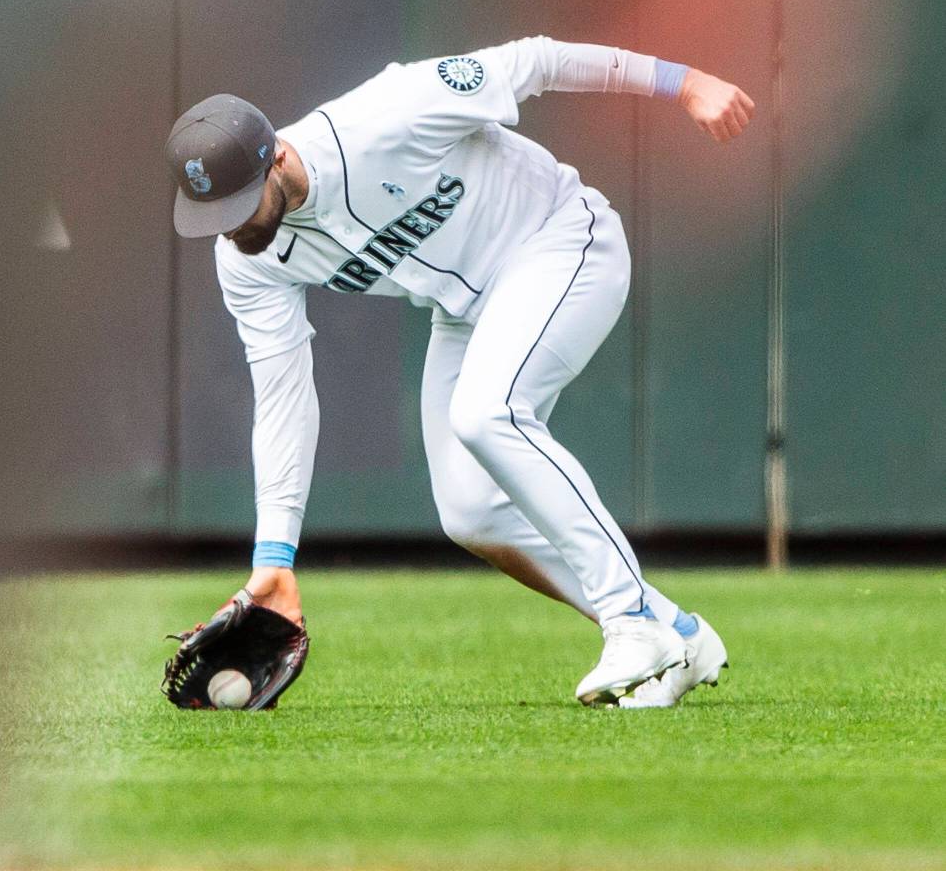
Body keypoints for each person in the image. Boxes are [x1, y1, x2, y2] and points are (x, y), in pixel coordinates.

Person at [165, 36, 754, 708]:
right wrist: (274, 559)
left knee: (486, 413)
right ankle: (673, 631)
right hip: (468, 306)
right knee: (473, 513)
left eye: (240, 204)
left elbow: (538, 60)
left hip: (562, 241)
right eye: (214, 214)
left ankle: (629, 621)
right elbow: (283, 400)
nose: (232, 228)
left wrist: (685, 79)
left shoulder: (387, 116)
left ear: (278, 157)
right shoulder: (246, 258)